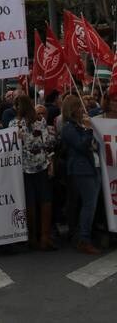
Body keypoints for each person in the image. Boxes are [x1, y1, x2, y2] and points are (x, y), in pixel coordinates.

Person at [9, 95, 56, 251]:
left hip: (28, 167)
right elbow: (48, 143)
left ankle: (35, 237)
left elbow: (47, 143)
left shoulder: (14, 124)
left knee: (33, 201)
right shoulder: (38, 121)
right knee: (43, 200)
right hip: (36, 165)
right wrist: (50, 161)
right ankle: (43, 236)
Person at [60, 95, 101, 255]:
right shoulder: (69, 128)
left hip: (93, 167)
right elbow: (81, 146)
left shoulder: (79, 125)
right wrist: (89, 129)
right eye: (80, 106)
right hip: (81, 169)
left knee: (91, 205)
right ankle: (84, 239)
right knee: (89, 205)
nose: (83, 109)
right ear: (73, 109)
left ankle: (83, 235)